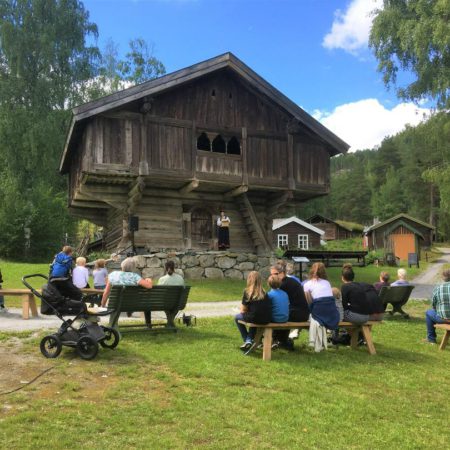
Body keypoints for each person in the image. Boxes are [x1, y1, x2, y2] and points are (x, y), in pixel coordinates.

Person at [270, 263, 309, 350]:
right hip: (301, 313)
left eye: (275, 274)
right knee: (281, 314)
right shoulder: (289, 281)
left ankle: (277, 341)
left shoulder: (283, 285)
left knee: (277, 316)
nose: (273, 276)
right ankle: (281, 341)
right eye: (271, 274)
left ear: (282, 273)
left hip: (298, 313)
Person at [234, 271, 272, 350]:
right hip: (266, 319)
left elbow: (243, 310)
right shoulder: (265, 292)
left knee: (237, 317)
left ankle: (247, 340)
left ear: (249, 280)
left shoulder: (247, 292)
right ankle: (250, 340)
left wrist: (241, 309)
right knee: (253, 317)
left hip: (254, 317)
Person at [424, 269, 450, 344]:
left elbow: (434, 305)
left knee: (429, 313)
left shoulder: (438, 287)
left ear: (443, 278)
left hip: (443, 319)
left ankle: (431, 339)